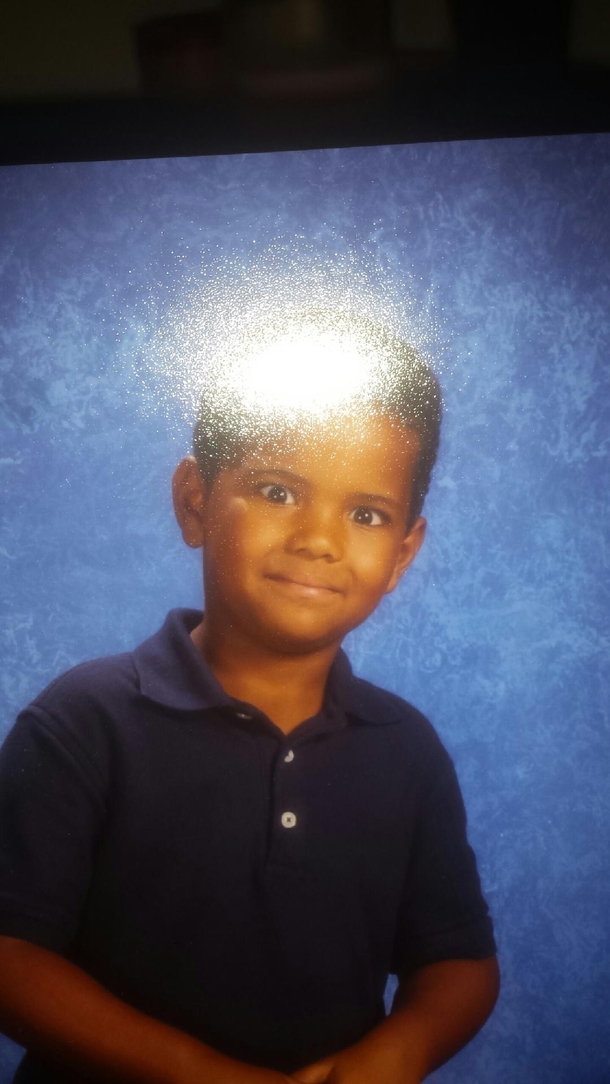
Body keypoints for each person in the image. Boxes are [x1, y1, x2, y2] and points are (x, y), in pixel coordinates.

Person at [0, 311, 499, 1084]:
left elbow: (460, 962)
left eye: (365, 514)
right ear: (196, 499)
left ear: (402, 552)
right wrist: (200, 1074)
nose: (320, 539)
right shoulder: (85, 719)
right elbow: (9, 955)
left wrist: (400, 1049)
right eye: (277, 490)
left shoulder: (405, 748)